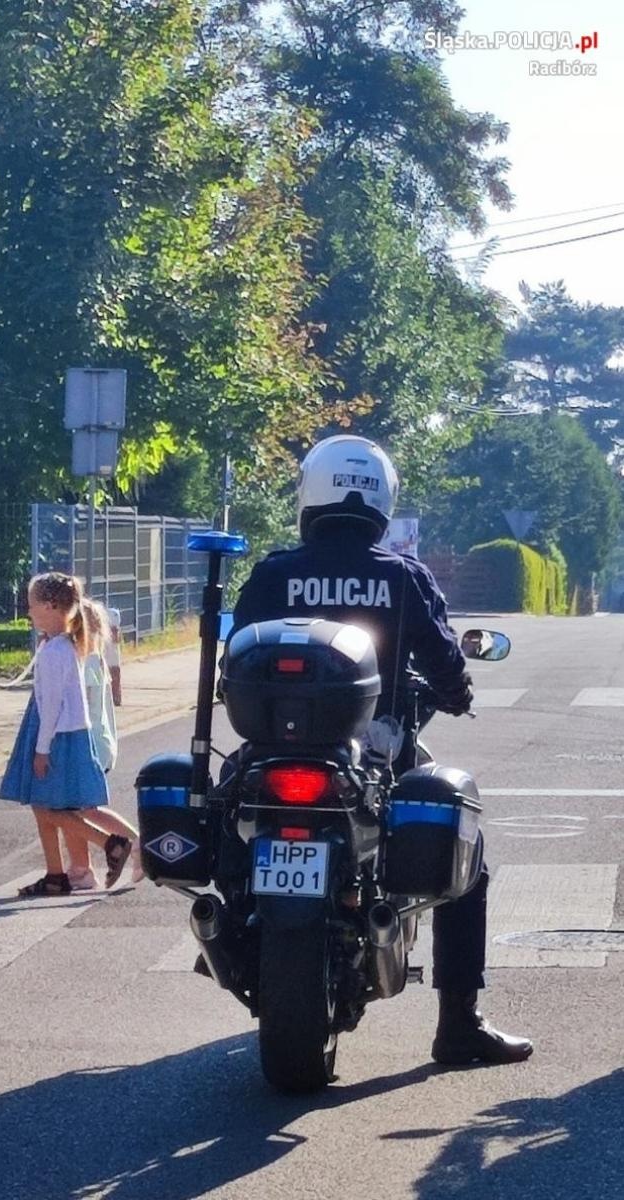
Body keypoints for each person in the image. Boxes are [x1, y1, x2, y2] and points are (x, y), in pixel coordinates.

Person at [228, 433, 532, 1067]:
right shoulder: (399, 575)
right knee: (465, 863)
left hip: (271, 753)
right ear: (381, 501)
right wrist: (455, 691)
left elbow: (235, 657)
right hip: (376, 760)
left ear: (309, 495)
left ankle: (228, 921)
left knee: (226, 813)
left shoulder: (274, 572)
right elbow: (445, 658)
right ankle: (458, 1025)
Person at [0, 573, 129, 896]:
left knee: (50, 807)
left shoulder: (56, 651)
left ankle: (110, 845)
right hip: (62, 733)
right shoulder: (61, 646)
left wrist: (42, 749)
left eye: (32, 606)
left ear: (51, 606)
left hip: (57, 736)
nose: (28, 612)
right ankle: (56, 874)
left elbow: (52, 705)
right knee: (43, 804)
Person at [61, 597, 141, 890]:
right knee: (74, 809)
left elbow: (76, 704)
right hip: (93, 744)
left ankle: (136, 846)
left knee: (82, 810)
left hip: (89, 745)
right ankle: (80, 869)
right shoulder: (92, 657)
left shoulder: (87, 659)